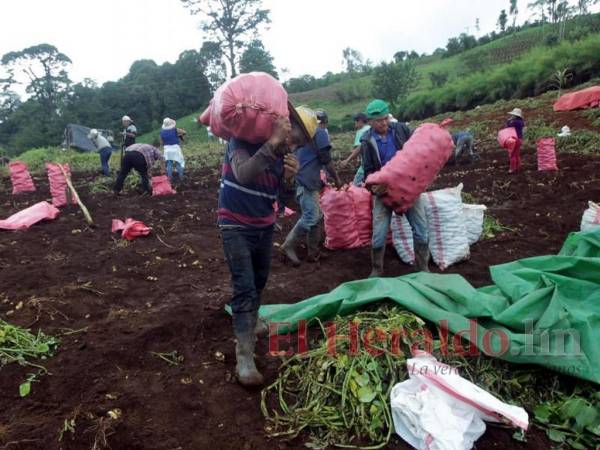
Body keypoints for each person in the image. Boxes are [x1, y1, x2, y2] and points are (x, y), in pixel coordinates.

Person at [219, 104, 303, 387]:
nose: (293, 143)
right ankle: (244, 355)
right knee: (244, 286)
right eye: (293, 136)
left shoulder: (281, 154)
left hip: (264, 225)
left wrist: (289, 180)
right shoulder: (239, 142)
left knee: (260, 279)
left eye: (297, 141)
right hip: (235, 224)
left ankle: (253, 322)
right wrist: (273, 142)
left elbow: (283, 199)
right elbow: (244, 173)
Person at [360, 99, 430, 276]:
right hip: (383, 193)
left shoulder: (401, 129)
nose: (383, 123)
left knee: (421, 231)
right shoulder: (367, 140)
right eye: (378, 121)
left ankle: (422, 268)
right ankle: (377, 269)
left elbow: (417, 151)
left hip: (408, 189)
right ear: (370, 122)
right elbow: (368, 170)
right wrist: (374, 188)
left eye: (385, 119)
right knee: (378, 237)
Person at [281, 106, 342, 266]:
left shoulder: (306, 136)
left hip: (304, 180)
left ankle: (313, 253)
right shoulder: (320, 133)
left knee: (317, 217)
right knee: (310, 216)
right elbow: (326, 159)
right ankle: (288, 245)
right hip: (307, 182)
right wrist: (336, 178)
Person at [340, 112, 371, 186]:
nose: (355, 123)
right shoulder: (370, 128)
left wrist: (347, 160)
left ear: (360, 121)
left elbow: (359, 148)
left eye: (356, 120)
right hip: (375, 165)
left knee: (355, 186)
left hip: (365, 166)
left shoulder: (361, 131)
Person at [160, 117, 185, 182]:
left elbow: (162, 142)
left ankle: (170, 178)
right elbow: (184, 132)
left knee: (169, 163)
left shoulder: (162, 132)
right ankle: (181, 177)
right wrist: (180, 135)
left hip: (167, 149)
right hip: (175, 148)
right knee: (178, 162)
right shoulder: (175, 129)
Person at [506, 108, 525, 173]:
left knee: (512, 155)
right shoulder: (521, 122)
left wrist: (509, 120)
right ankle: (518, 167)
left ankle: (512, 169)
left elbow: (508, 126)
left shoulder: (514, 122)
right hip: (520, 139)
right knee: (516, 154)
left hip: (514, 139)